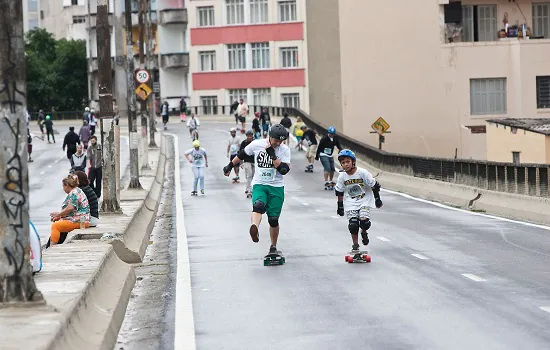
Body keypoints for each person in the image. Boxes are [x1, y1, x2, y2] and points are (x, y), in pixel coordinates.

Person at [222, 124, 291, 256]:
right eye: (276, 140)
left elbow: (284, 170)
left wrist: (272, 155)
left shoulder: (284, 150)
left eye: (281, 141)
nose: (278, 143)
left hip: (276, 187)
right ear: (270, 137)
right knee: (258, 206)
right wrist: (230, 165)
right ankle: (255, 226)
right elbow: (242, 154)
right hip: (260, 184)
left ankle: (273, 247)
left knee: (273, 220)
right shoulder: (257, 144)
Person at [334, 149, 383, 252]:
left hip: (364, 200)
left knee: (364, 222)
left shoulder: (362, 173)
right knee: (353, 225)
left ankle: (364, 232)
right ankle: (355, 245)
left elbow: (374, 185)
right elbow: (339, 191)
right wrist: (340, 206)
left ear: (353, 162)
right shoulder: (342, 176)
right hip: (351, 202)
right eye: (343, 163)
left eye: (348, 162)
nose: (346, 165)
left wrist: (377, 199)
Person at [47, 174, 90, 247]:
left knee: (55, 226)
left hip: (80, 221)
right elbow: (72, 211)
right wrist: (59, 215)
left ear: (67, 185)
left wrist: (58, 215)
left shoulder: (74, 193)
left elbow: (70, 208)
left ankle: (52, 246)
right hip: (80, 219)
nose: (63, 188)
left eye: (63, 186)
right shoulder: (77, 190)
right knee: (59, 223)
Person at [315, 126, 342, 190]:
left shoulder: (335, 138)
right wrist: (317, 155)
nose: (331, 135)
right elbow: (319, 147)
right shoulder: (324, 138)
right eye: (330, 133)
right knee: (327, 167)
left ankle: (330, 180)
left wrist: (340, 149)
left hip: (330, 155)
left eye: (333, 134)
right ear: (328, 133)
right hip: (323, 154)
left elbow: (338, 144)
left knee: (332, 169)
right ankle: (326, 181)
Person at [240, 130, 256, 198]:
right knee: (249, 175)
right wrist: (241, 162)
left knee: (254, 175)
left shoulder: (255, 142)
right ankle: (249, 190)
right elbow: (240, 152)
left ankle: (253, 188)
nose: (249, 137)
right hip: (247, 160)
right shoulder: (244, 143)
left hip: (254, 161)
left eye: (250, 135)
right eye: (248, 135)